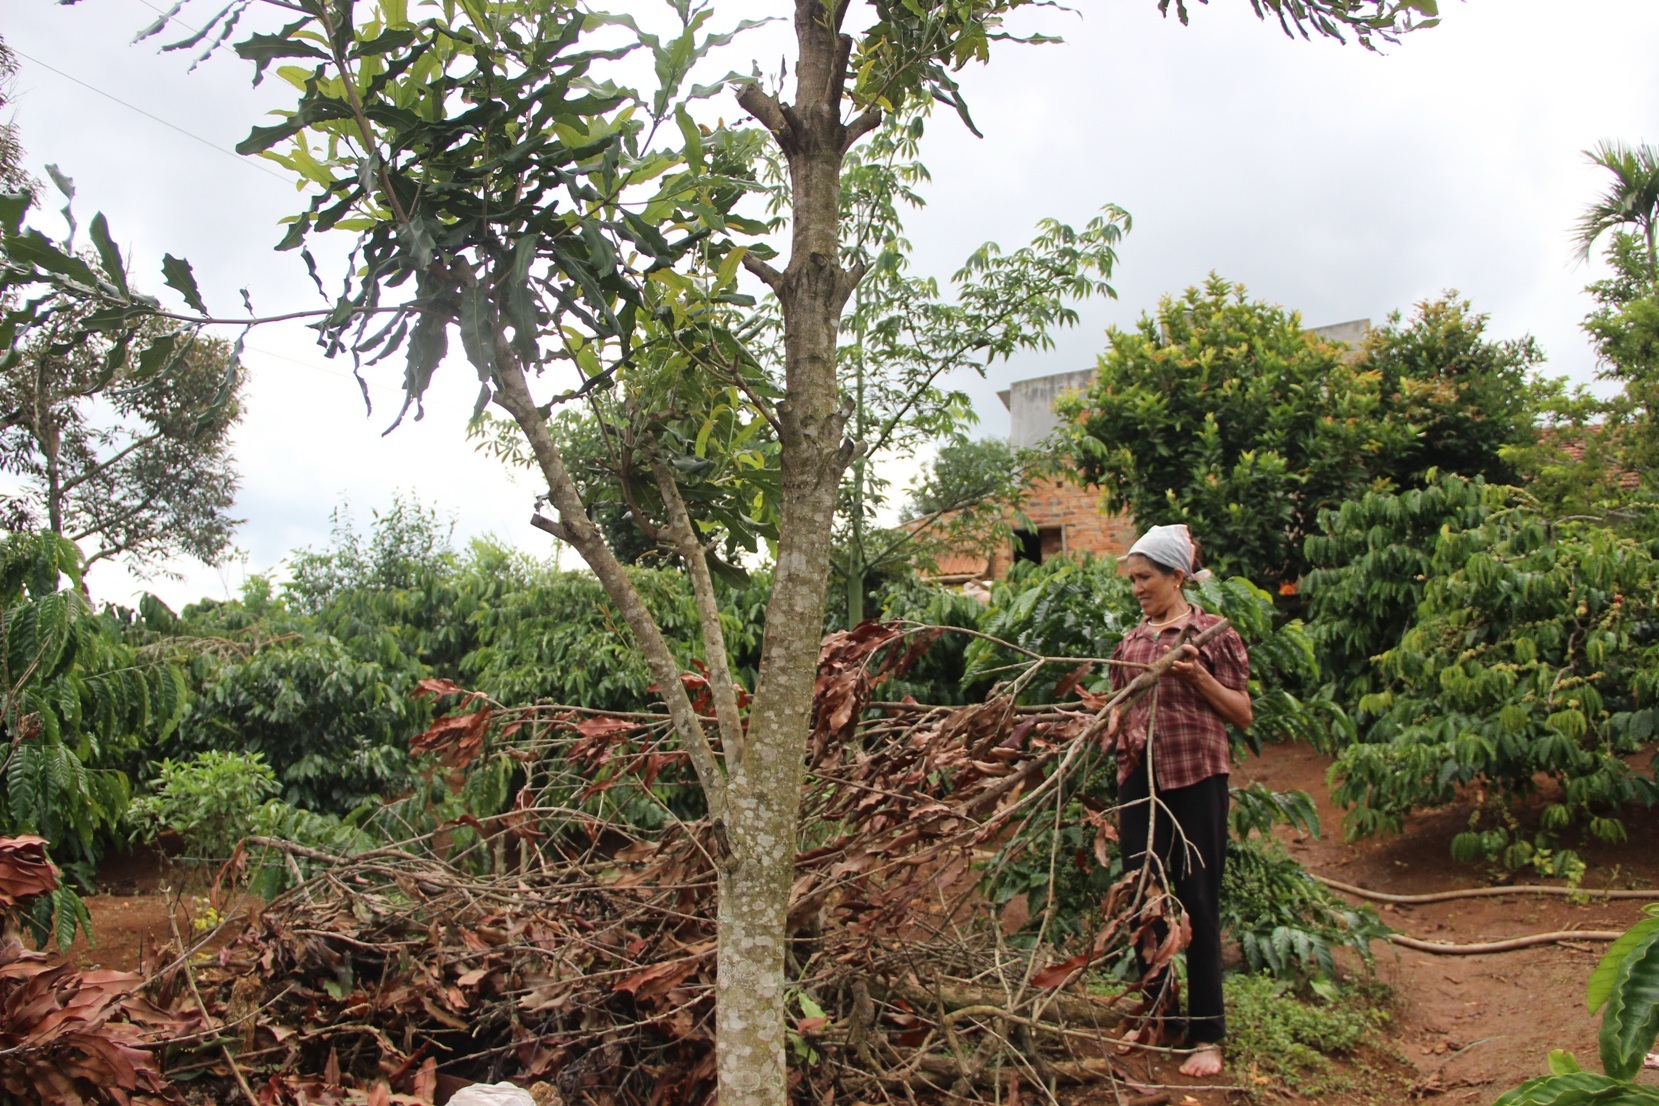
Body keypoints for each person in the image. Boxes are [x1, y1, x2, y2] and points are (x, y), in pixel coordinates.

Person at [1107, 524, 1252, 1079]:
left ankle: (1207, 1035)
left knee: (1197, 903)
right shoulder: (1133, 640)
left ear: (1177, 575)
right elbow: (1122, 710)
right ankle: (1159, 1018)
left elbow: (1241, 712)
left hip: (1196, 780)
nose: (1138, 587)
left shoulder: (1211, 635)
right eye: (1134, 579)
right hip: (1138, 784)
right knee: (1143, 903)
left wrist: (1198, 680)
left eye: (1146, 578)